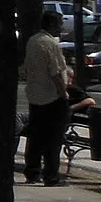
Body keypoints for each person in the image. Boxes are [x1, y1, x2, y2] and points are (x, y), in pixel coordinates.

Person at [23, 9, 74, 185]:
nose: (60, 29)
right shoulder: (50, 44)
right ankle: (51, 175)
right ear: (52, 25)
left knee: (36, 136)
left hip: (35, 96)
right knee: (53, 138)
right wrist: (63, 94)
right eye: (59, 25)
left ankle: (32, 171)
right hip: (51, 97)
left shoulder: (32, 41)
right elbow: (56, 73)